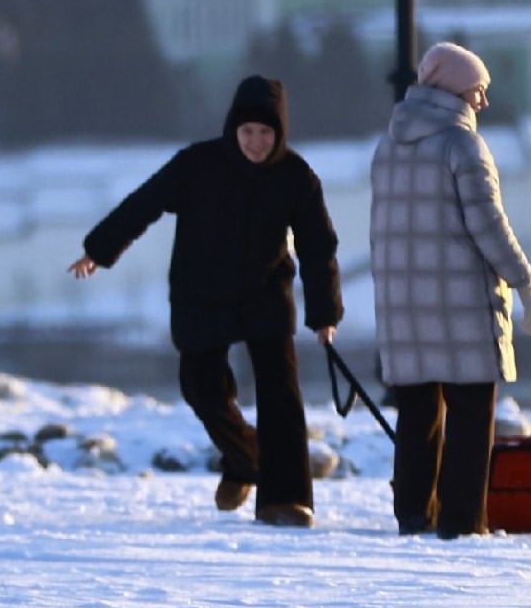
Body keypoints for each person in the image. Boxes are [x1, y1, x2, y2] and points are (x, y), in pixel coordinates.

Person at [69, 75, 341, 528]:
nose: (256, 142)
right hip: (201, 294)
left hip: (265, 297)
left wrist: (324, 312)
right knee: (201, 388)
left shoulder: (297, 177)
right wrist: (100, 250)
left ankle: (286, 500)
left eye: (266, 133)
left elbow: (318, 248)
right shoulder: (197, 165)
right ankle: (248, 458)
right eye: (248, 131)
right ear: (233, 128)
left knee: (281, 399)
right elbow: (144, 204)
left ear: (280, 134)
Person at [369, 43, 531, 539]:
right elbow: (490, 227)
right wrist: (524, 280)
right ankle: (463, 522)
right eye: (477, 91)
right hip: (461, 308)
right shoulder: (462, 146)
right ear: (452, 89)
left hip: (403, 308)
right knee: (470, 419)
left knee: (417, 417)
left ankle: (413, 515)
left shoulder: (387, 146)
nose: (482, 102)